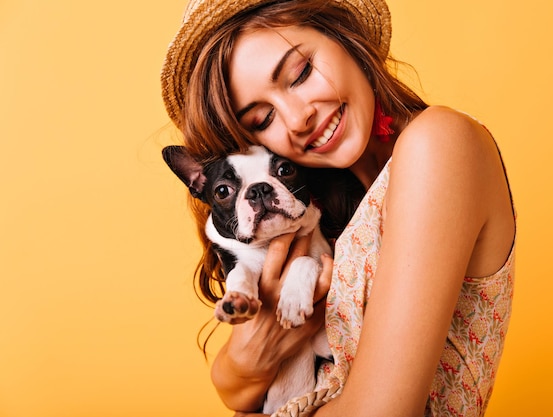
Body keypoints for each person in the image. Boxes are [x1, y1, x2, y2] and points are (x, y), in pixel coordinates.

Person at [160, 0, 516, 415]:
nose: (297, 119)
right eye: (262, 119)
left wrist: (245, 371)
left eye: (301, 73)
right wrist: (246, 359)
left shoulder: (439, 142)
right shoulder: (322, 205)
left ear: (344, 35)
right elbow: (236, 387)